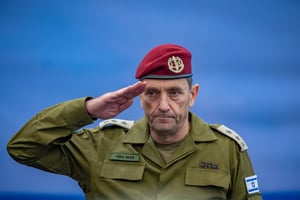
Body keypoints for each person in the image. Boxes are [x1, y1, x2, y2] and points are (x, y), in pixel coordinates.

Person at [7, 44, 262, 200]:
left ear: (192, 95)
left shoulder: (228, 150)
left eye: (174, 92)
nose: (163, 105)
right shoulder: (101, 146)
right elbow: (23, 147)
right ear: (140, 97)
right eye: (152, 93)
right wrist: (88, 109)